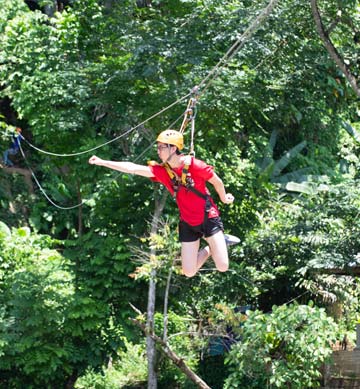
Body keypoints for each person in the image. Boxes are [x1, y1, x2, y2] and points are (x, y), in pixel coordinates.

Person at [89, 129, 239, 277]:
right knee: (189, 272)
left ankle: (219, 242)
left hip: (208, 218)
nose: (158, 151)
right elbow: (132, 168)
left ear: (173, 148)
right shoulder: (162, 171)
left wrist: (224, 198)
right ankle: (210, 248)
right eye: (158, 147)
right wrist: (103, 162)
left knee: (223, 266)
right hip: (188, 222)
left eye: (161, 147)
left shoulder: (195, 165)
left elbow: (216, 181)